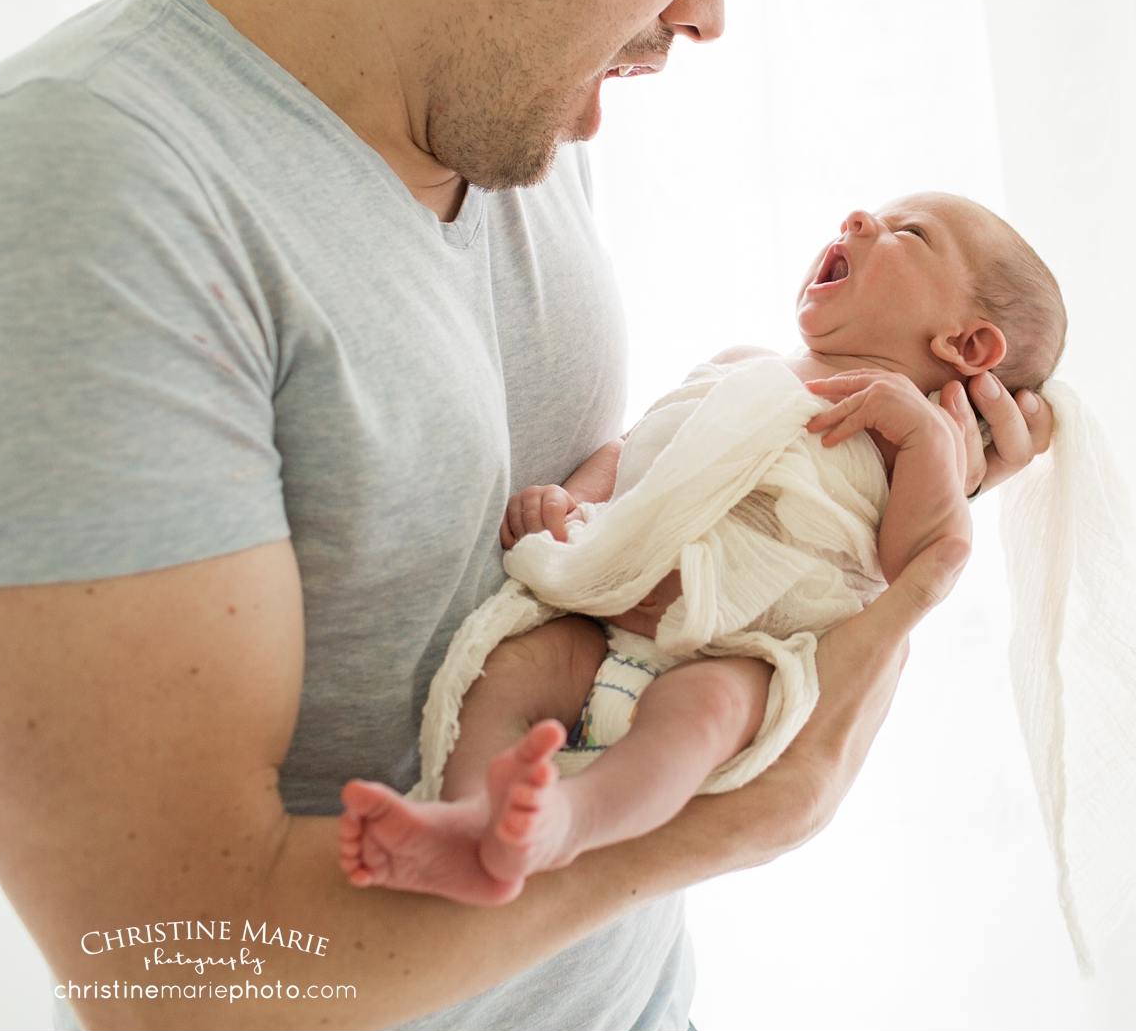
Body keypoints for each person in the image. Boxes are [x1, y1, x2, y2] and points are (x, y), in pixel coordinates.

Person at [0, 0, 1051, 1029]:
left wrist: (864, 497)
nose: (710, 8)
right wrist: (714, 825)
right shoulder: (65, 202)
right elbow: (164, 967)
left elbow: (592, 575)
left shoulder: (512, 121)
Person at [336, 194, 1065, 905]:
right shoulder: (745, 363)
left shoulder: (916, 442)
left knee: (706, 713)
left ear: (966, 345)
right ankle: (469, 818)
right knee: (511, 669)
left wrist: (929, 446)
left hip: (740, 652)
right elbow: (638, 450)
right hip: (606, 613)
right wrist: (579, 503)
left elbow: (908, 570)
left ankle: (572, 821)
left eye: (912, 232)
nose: (857, 218)